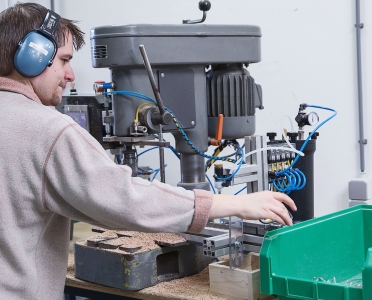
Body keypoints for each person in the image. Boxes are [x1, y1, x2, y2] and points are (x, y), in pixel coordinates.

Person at [0, 2, 297, 300]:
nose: (71, 75)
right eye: (64, 60)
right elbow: (124, 200)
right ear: (32, 57)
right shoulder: (49, 131)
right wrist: (232, 205)